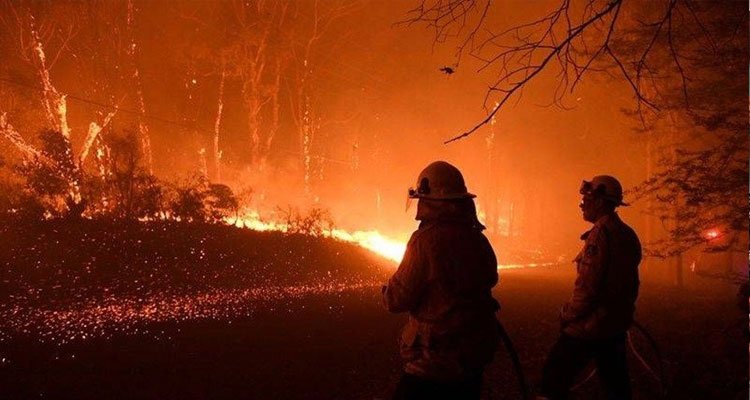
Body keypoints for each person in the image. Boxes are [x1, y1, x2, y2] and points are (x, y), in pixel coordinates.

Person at [383, 161, 500, 400]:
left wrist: (386, 290)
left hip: (432, 362)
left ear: (431, 201)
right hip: (470, 359)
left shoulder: (424, 241)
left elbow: (397, 299)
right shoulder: (478, 239)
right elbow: (490, 278)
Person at [538, 175, 642, 400]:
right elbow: (631, 284)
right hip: (614, 325)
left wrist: (568, 314)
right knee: (616, 387)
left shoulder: (600, 236)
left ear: (601, 202)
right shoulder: (626, 234)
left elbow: (588, 287)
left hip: (589, 327)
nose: (582, 203)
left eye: (588, 198)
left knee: (552, 380)